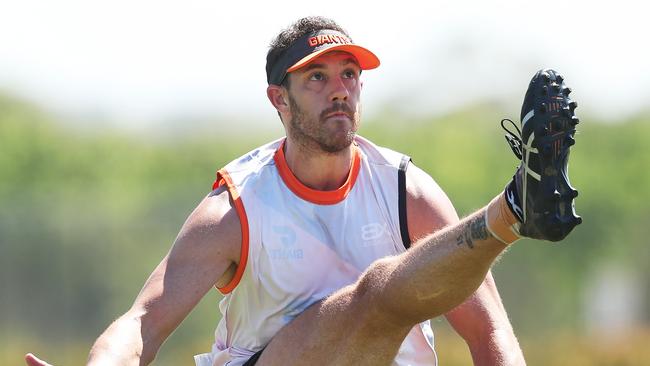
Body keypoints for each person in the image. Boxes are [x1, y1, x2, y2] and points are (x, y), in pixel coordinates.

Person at [25, 16, 581, 366]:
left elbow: (491, 337)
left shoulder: (407, 190)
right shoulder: (236, 208)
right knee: (376, 298)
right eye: (317, 78)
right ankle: (512, 209)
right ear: (279, 99)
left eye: (349, 75)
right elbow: (143, 324)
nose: (339, 91)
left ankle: (515, 208)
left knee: (381, 300)